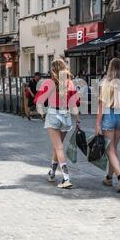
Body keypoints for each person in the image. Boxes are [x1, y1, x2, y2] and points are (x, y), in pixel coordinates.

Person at [34, 59, 80, 189]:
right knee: (57, 146)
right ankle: (52, 172)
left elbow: (39, 100)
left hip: (53, 115)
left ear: (53, 70)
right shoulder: (70, 83)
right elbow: (74, 103)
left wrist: (42, 113)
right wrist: (77, 118)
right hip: (66, 116)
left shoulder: (49, 83)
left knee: (58, 147)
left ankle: (66, 178)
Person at [95, 58, 120, 193]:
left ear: (110, 68)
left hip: (109, 115)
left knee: (110, 150)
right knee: (114, 148)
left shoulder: (106, 82)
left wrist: (97, 124)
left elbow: (101, 104)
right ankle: (108, 177)